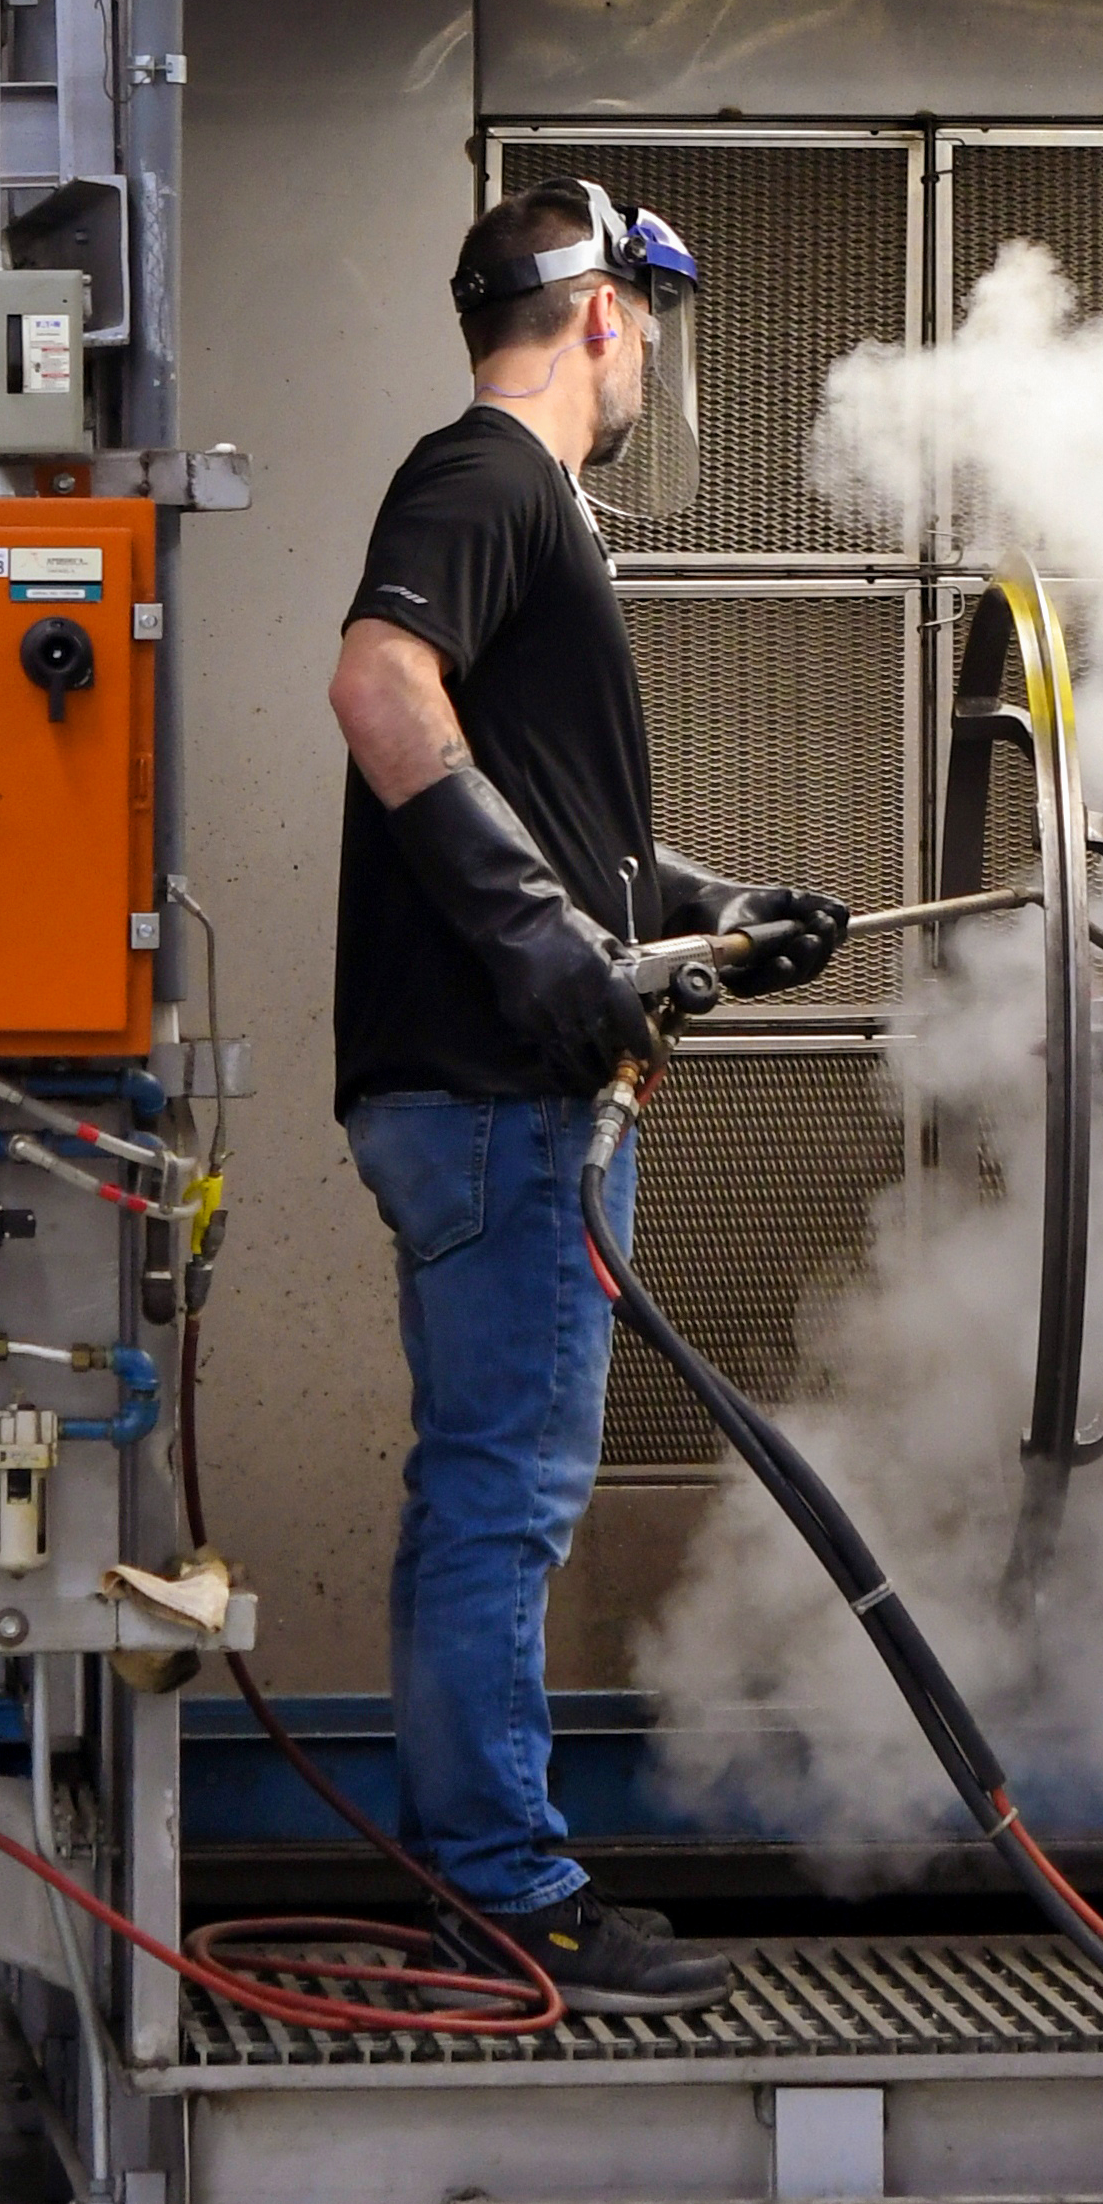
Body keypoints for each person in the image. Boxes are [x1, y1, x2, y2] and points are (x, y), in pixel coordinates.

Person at [328, 173, 848, 2002]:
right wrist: (541, 946)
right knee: (502, 1497)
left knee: (482, 1489)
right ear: (607, 316)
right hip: (494, 1094)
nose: (649, 372)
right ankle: (509, 1898)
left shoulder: (532, 505)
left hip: (487, 1089)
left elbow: (547, 816)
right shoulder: (485, 475)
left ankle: (486, 1871)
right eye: (649, 329)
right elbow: (381, 683)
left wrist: (703, 912)